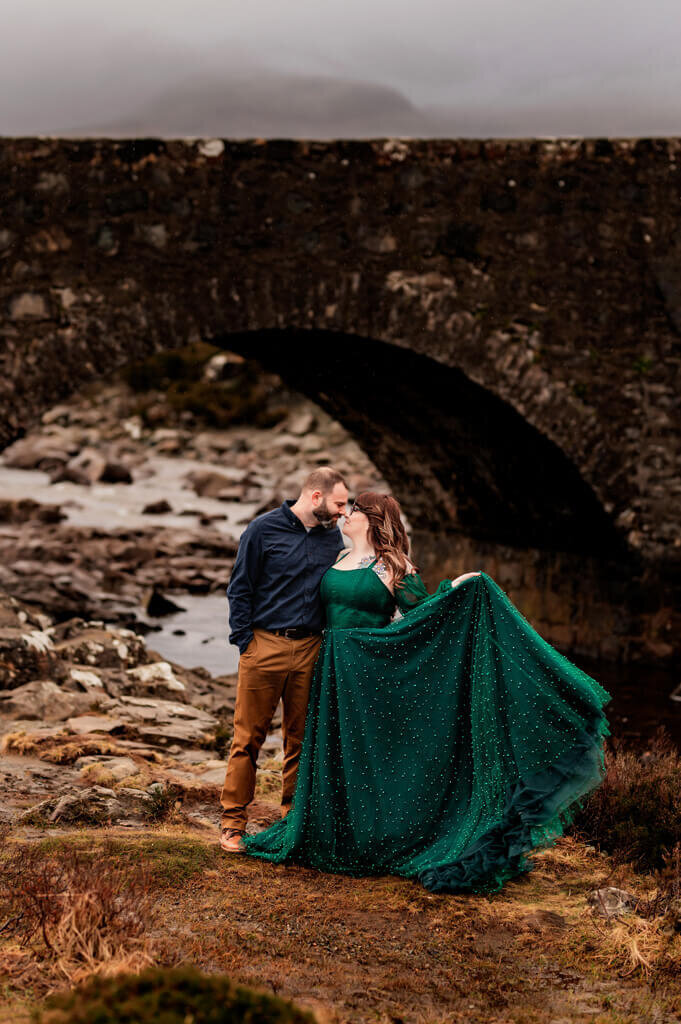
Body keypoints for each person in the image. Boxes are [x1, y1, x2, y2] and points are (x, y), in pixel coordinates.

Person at [238, 491, 612, 894]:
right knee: (339, 752)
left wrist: (460, 588)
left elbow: (425, 613)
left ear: (373, 518)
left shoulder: (394, 566)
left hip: (372, 672)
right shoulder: (338, 557)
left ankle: (382, 835)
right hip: (333, 669)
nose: (345, 514)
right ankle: (335, 830)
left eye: (354, 510)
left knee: (373, 757)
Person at [219, 466, 349, 853]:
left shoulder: (332, 537)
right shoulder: (262, 530)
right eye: (339, 503)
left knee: (300, 740)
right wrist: (246, 642)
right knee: (248, 739)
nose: (343, 512)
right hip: (265, 646)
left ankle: (293, 820)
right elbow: (240, 588)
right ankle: (231, 824)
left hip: (311, 649)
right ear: (315, 497)